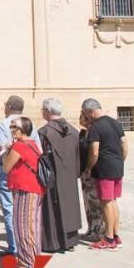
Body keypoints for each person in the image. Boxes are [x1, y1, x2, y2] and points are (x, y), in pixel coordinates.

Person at [0, 95, 41, 255]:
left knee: (9, 209)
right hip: (29, 174)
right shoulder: (30, 124)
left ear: (8, 107)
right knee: (28, 215)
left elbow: (2, 151)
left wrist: (8, 151)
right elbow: (39, 150)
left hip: (10, 171)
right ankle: (29, 248)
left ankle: (14, 247)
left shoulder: (4, 124)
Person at [1, 116, 43, 268]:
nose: (12, 130)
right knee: (33, 225)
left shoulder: (19, 146)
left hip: (25, 189)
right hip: (33, 188)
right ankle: (34, 260)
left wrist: (6, 151)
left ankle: (27, 264)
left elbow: (6, 167)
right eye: (11, 127)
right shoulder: (31, 144)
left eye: (15, 128)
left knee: (22, 226)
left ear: (23, 129)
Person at [38, 98, 81, 253]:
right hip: (69, 176)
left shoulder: (44, 132)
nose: (42, 112)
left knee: (52, 207)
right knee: (69, 206)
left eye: (42, 110)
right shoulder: (73, 131)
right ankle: (69, 241)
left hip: (52, 178)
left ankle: (53, 242)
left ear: (48, 112)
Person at [84, 98, 128, 251]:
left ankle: (109, 238)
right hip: (117, 165)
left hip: (104, 168)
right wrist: (120, 160)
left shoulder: (96, 126)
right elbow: (124, 144)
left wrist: (89, 166)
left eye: (86, 114)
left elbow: (94, 151)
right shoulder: (115, 122)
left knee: (106, 202)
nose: (87, 118)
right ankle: (116, 236)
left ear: (91, 111)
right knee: (113, 201)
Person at [78, 108, 104, 241]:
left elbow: (94, 152)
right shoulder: (84, 133)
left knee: (95, 203)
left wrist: (89, 168)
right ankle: (91, 228)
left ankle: (98, 230)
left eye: (81, 117)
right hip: (84, 173)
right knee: (88, 202)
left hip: (91, 172)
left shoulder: (93, 132)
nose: (80, 120)